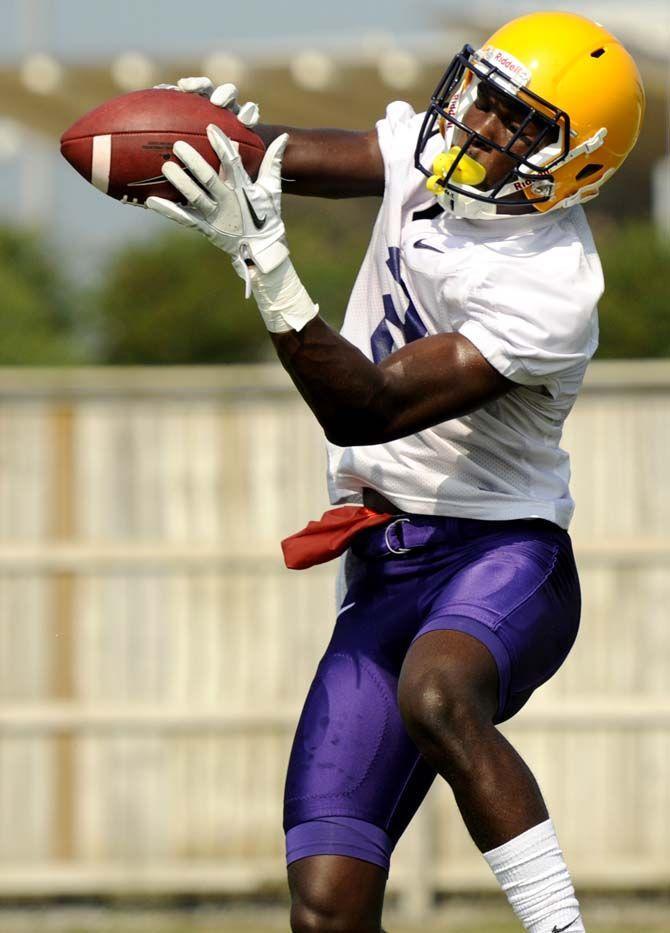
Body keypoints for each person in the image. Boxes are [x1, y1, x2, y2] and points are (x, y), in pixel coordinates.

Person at [145, 11, 645, 932]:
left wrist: (264, 263)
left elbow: (365, 405)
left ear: (578, 163)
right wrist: (216, 143)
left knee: (437, 693)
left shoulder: (551, 287)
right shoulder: (442, 157)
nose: (481, 128)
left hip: (501, 556)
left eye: (519, 124)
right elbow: (295, 160)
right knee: (326, 907)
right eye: (485, 99)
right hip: (381, 568)